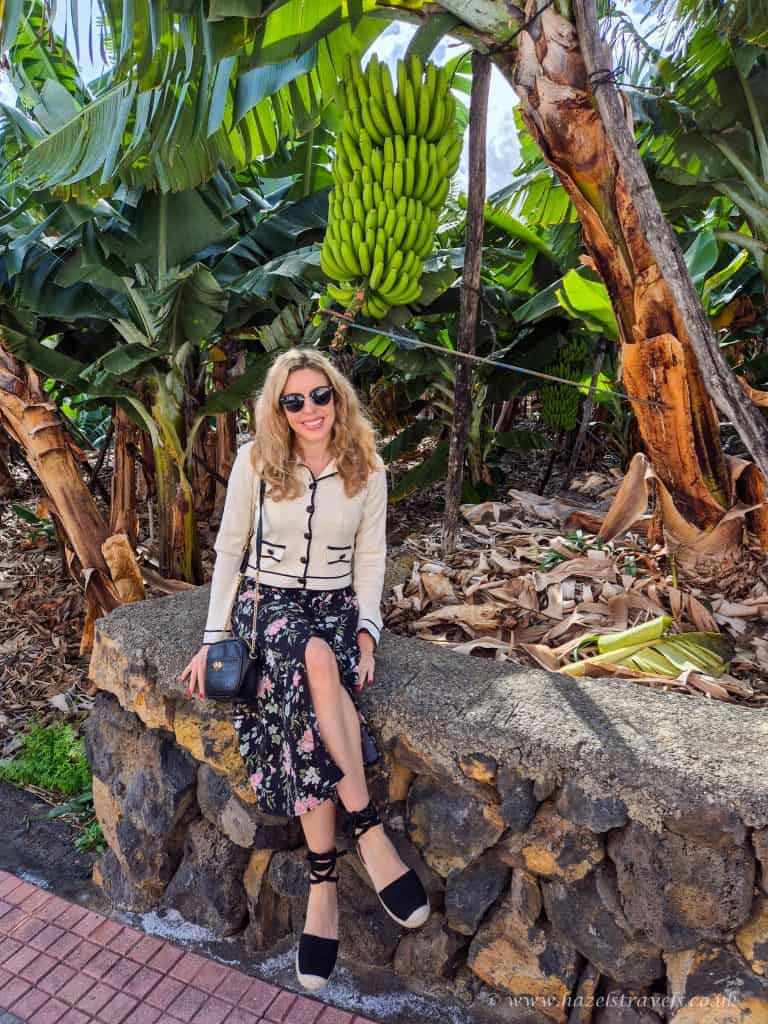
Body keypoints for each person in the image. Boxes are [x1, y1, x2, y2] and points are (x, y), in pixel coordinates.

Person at [180, 348, 430, 991]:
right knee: (313, 661)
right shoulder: (256, 461)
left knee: (305, 703)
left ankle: (323, 881)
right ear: (277, 408)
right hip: (270, 605)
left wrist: (369, 633)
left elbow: (372, 558)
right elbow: (231, 550)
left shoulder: (366, 468)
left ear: (337, 398)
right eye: (294, 401)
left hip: (335, 607)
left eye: (320, 396)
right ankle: (369, 831)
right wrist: (214, 639)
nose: (309, 410)